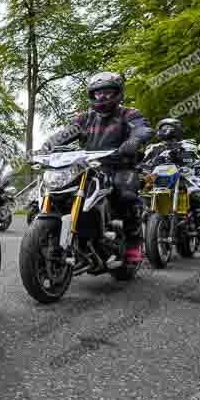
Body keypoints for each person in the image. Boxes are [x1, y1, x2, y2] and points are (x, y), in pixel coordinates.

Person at [41, 72, 153, 264]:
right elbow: (64, 134)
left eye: (107, 92)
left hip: (120, 166)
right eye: (97, 93)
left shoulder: (129, 114)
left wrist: (134, 140)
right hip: (90, 167)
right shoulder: (84, 119)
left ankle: (133, 243)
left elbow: (143, 128)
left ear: (117, 93)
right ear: (92, 95)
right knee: (58, 193)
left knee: (126, 196)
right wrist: (46, 146)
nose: (102, 97)